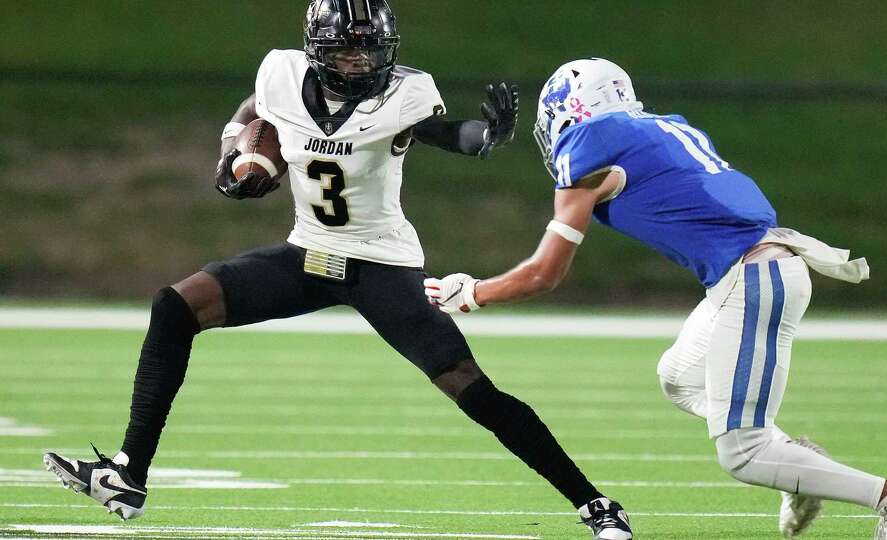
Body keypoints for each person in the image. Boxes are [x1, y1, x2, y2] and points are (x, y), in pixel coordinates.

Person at [41, 4, 633, 539]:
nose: (361, 61)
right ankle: (127, 473)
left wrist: (486, 137)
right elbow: (256, 109)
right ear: (317, 48)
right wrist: (235, 155)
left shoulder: (404, 93)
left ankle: (595, 504)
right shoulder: (280, 73)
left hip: (382, 264)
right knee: (176, 305)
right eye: (348, 49)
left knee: (469, 387)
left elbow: (447, 133)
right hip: (309, 254)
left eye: (372, 49)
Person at [425, 57, 887, 540]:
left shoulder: (590, 144)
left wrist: (472, 293)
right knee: (679, 376)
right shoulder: (662, 126)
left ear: (572, 109)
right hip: (755, 269)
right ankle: (796, 463)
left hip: (755, 276)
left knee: (742, 454)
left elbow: (545, 273)